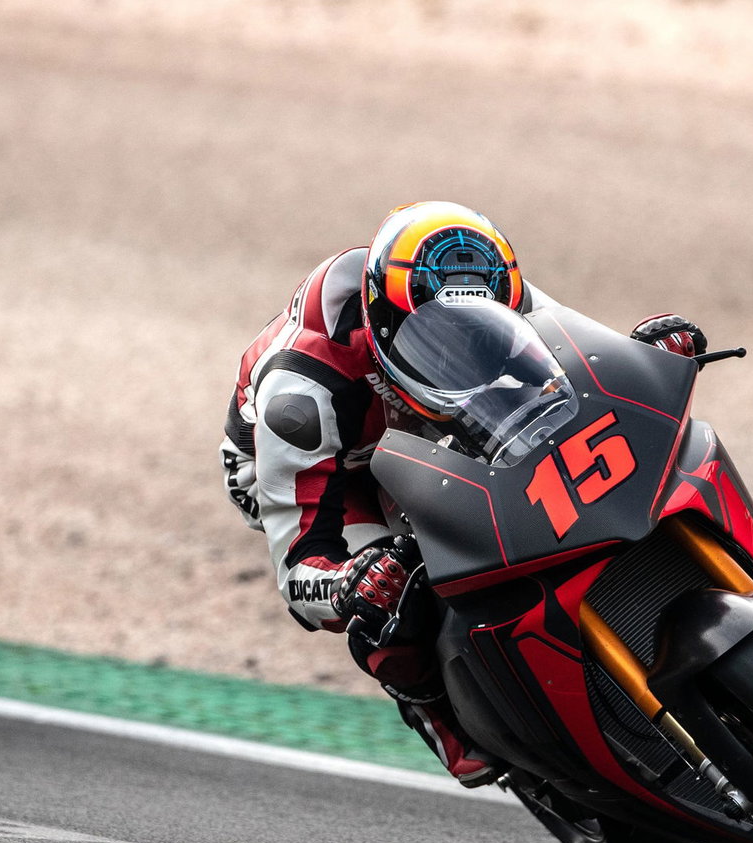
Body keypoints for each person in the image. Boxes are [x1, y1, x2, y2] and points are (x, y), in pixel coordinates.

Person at [220, 201, 706, 786]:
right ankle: (429, 704)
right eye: (432, 337)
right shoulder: (301, 394)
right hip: (325, 464)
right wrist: (348, 583)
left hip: (427, 413)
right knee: (396, 588)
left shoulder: (495, 288)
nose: (456, 346)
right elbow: (300, 573)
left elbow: (583, 358)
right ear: (385, 325)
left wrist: (649, 356)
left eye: (476, 330)